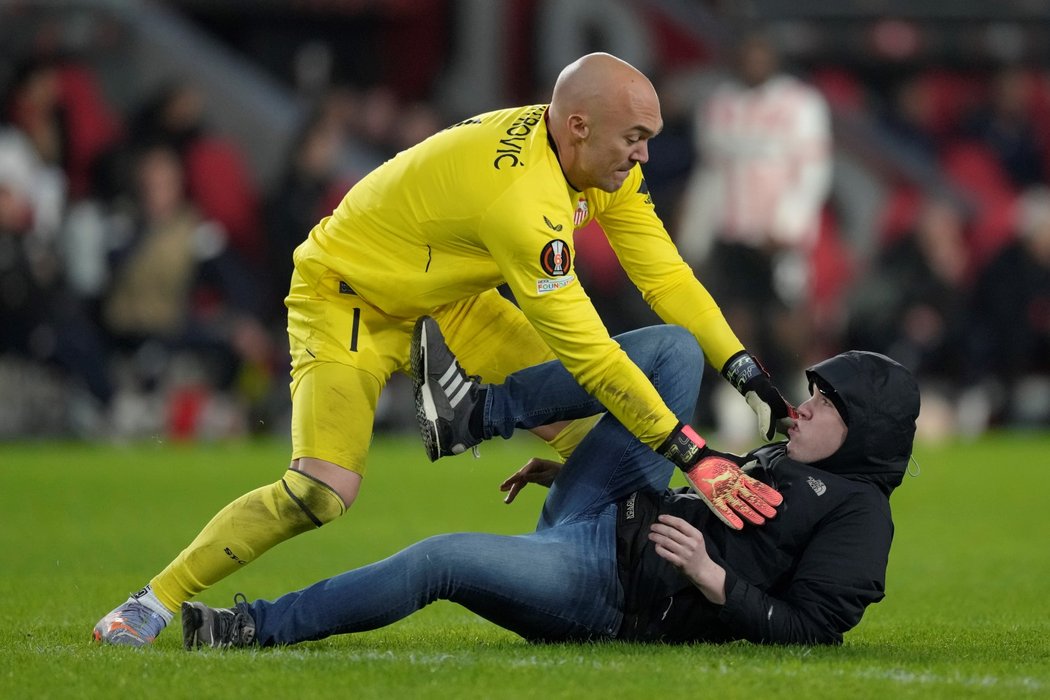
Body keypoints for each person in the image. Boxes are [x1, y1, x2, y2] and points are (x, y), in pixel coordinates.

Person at [94, 52, 794, 646]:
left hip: (449, 299)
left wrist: (744, 369)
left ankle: (588, 564)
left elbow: (665, 275)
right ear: (579, 127)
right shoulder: (525, 202)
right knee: (319, 493)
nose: (644, 155)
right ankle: (151, 603)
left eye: (650, 137)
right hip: (351, 297)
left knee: (603, 445)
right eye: (635, 138)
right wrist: (695, 454)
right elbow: (590, 356)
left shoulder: (588, 154)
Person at [181, 323, 920, 649]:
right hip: (613, 504)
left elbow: (815, 628)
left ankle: (252, 627)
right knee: (672, 351)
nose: (807, 402)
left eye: (827, 402)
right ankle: (478, 413)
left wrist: (709, 576)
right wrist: (570, 469)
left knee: (439, 559)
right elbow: (708, 492)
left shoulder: (859, 514)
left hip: (612, 586)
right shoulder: (791, 459)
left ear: (864, 432)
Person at [674, 28, 832, 440]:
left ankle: (808, 395)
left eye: (760, 53)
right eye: (746, 54)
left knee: (788, 323)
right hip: (732, 233)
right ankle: (741, 404)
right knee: (735, 321)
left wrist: (788, 225)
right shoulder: (720, 107)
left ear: (774, 58)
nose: (753, 62)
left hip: (779, 237)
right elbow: (710, 173)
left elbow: (813, 168)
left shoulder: (800, 104)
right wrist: (695, 233)